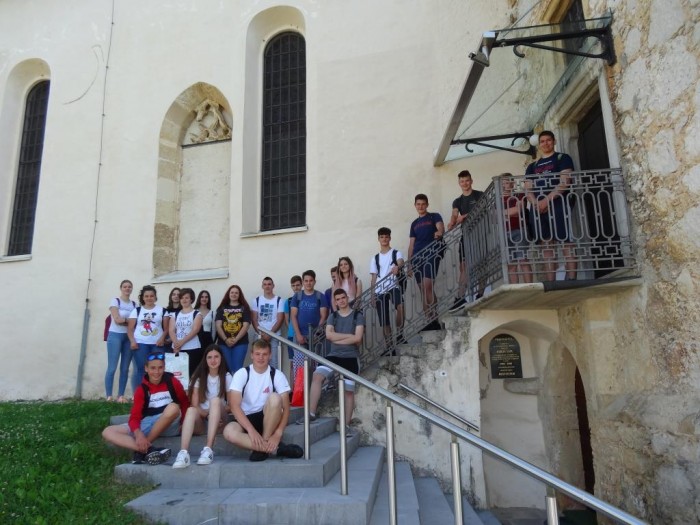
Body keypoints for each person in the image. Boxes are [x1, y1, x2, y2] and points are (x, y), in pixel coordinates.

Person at [102, 350, 189, 465]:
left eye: (160, 368)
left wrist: (184, 422)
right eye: (153, 368)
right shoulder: (141, 390)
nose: (156, 372)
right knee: (108, 431)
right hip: (149, 423)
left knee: (173, 407)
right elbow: (134, 417)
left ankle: (143, 448)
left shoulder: (172, 382)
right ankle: (149, 450)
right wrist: (138, 434)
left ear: (164, 368)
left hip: (171, 423)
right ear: (146, 368)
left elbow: (184, 402)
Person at [223, 339, 303, 462]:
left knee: (275, 398)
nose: (261, 358)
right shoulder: (242, 374)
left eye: (264, 354)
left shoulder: (277, 375)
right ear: (252, 355)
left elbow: (286, 408)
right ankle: (275, 449)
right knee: (229, 432)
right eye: (257, 354)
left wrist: (278, 433)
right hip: (245, 418)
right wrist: (251, 431)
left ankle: (263, 445)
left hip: (268, 418)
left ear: (270, 356)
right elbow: (234, 406)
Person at [306, 289, 365, 431]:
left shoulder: (358, 316)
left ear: (347, 298)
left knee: (348, 391)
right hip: (334, 355)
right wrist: (349, 337)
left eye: (343, 298)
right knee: (317, 376)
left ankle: (346, 425)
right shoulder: (333, 316)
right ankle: (311, 413)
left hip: (351, 357)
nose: (341, 301)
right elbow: (329, 336)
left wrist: (338, 338)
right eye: (338, 299)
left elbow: (358, 338)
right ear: (336, 302)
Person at [524, 130, 576, 281]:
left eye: (548, 140)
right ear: (539, 145)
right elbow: (528, 189)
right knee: (546, 244)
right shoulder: (532, 166)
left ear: (554, 141)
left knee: (565, 240)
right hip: (538, 209)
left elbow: (565, 181)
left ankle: (572, 279)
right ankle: (551, 281)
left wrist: (546, 200)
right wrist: (536, 204)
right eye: (542, 141)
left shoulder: (562, 158)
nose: (545, 143)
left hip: (559, 204)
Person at [172, 344, 232, 468]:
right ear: (205, 359)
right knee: (191, 410)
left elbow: (231, 406)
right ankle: (183, 453)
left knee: (215, 401)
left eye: (216, 357)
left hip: (221, 419)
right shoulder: (198, 377)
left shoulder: (227, 376)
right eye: (209, 357)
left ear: (221, 358)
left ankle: (208, 449)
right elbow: (195, 405)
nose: (213, 360)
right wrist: (208, 414)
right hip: (203, 420)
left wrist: (214, 412)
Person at [447, 170, 484, 311]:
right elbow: (454, 214)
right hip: (466, 235)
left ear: (471, 181)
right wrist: (452, 222)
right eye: (462, 181)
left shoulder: (479, 194)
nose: (465, 183)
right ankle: (461, 297)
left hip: (480, 234)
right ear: (459, 183)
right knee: (463, 266)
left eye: (467, 180)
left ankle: (480, 293)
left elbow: (482, 208)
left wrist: (465, 216)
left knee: (482, 264)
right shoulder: (457, 201)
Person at [407, 194, 445, 330]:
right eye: (418, 204)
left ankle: (434, 319)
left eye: (423, 204)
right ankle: (429, 320)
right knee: (423, 290)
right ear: (415, 205)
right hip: (417, 258)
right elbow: (411, 245)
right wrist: (409, 264)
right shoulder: (414, 224)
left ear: (427, 205)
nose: (420, 206)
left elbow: (441, 228)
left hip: (431, 254)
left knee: (428, 286)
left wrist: (439, 232)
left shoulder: (434, 216)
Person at [369, 227, 406, 350]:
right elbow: (373, 277)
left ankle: (400, 335)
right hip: (379, 290)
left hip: (393, 286)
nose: (384, 239)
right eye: (382, 237)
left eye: (386, 237)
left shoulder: (396, 252)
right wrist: (372, 295)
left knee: (400, 307)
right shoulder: (375, 258)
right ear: (378, 239)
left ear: (390, 238)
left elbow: (401, 262)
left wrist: (398, 267)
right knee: (384, 320)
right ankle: (390, 347)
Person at [128, 285, 167, 394]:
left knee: (158, 369)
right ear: (143, 297)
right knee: (141, 369)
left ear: (155, 297)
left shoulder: (162, 310)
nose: (149, 298)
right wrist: (132, 341)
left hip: (157, 344)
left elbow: (166, 329)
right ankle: (139, 394)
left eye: (151, 296)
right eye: (146, 296)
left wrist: (162, 338)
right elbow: (130, 329)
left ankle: (157, 394)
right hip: (140, 344)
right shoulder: (137, 311)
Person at [105, 279, 136, 403]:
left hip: (128, 337)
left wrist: (126, 321)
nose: (127, 288)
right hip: (115, 335)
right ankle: (109, 396)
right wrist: (129, 322)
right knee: (112, 367)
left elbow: (136, 322)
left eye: (129, 287)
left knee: (125, 368)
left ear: (131, 289)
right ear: (121, 288)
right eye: (125, 286)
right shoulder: (115, 301)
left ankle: (121, 395)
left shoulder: (134, 304)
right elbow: (117, 319)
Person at [502, 174, 533, 284]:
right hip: (504, 232)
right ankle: (515, 289)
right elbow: (494, 217)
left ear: (513, 183)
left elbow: (518, 209)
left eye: (506, 182)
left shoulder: (519, 195)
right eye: (502, 183)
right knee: (511, 263)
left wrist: (503, 214)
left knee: (523, 259)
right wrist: (511, 212)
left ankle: (529, 287)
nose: (504, 185)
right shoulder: (497, 199)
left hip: (520, 230)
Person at [215, 284, 252, 374]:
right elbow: (218, 325)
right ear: (228, 294)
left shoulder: (244, 308)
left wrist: (236, 339)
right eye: (232, 292)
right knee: (226, 369)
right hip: (223, 343)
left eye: (236, 293)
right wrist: (225, 339)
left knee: (237, 369)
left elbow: (246, 325)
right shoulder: (222, 308)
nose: (234, 294)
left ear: (239, 295)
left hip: (240, 342)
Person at [168, 287, 203, 380]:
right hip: (177, 349)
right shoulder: (175, 315)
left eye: (187, 298)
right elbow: (171, 330)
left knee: (191, 375)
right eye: (182, 298)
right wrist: (176, 344)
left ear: (191, 299)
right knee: (177, 375)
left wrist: (181, 342)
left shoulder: (197, 314)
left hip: (192, 348)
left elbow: (195, 330)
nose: (184, 300)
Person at [291, 270, 329, 353]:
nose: (308, 283)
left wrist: (317, 334)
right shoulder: (297, 296)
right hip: (300, 336)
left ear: (314, 281)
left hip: (317, 337)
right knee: (300, 361)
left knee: (316, 360)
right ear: (303, 282)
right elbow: (293, 316)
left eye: (311, 280)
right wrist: (298, 334)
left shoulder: (320, 296)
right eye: (306, 281)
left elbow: (324, 316)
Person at [251, 277, 285, 369]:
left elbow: (280, 319)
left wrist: (270, 334)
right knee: (258, 362)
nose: (267, 286)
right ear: (262, 286)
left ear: (273, 286)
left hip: (274, 336)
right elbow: (254, 319)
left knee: (274, 363)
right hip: (259, 336)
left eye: (269, 284)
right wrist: (261, 333)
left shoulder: (279, 300)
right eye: (265, 284)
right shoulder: (256, 300)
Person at [283, 275, 303, 379]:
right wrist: (292, 330)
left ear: (302, 285)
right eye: (293, 285)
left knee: (305, 364)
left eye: (298, 285)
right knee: (292, 363)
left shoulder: (307, 299)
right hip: (291, 336)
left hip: (304, 335)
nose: (296, 287)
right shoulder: (288, 301)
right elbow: (287, 320)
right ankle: (293, 387)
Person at [162, 287, 181, 353]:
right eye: (174, 294)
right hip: (165, 340)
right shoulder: (165, 311)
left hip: (177, 339)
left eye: (178, 295)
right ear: (171, 296)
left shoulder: (182, 311)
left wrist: (171, 339)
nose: (176, 296)